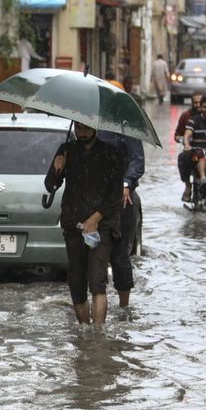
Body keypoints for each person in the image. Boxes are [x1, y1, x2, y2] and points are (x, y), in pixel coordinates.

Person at [45, 122, 126, 327]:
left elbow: (115, 196)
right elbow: (50, 186)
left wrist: (95, 219)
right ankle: (84, 332)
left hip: (103, 225)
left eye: (86, 129)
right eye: (78, 129)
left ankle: (97, 337)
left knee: (97, 279)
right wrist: (57, 169)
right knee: (77, 279)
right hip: (73, 223)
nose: (81, 133)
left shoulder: (111, 153)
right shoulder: (67, 150)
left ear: (95, 129)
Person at [97, 131, 144, 308]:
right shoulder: (85, 127)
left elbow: (138, 162)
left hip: (122, 200)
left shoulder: (127, 130)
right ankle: (97, 302)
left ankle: (124, 306)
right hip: (91, 200)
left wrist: (126, 183)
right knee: (92, 256)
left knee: (119, 256)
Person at [175, 92, 202, 201]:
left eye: (201, 103)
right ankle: (188, 185)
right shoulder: (186, 116)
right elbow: (177, 135)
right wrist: (183, 140)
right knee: (183, 158)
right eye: (195, 102)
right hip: (191, 150)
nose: (198, 105)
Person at [183, 91, 206, 199]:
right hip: (197, 151)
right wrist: (187, 144)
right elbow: (187, 134)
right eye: (205, 107)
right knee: (186, 158)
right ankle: (200, 180)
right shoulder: (193, 120)